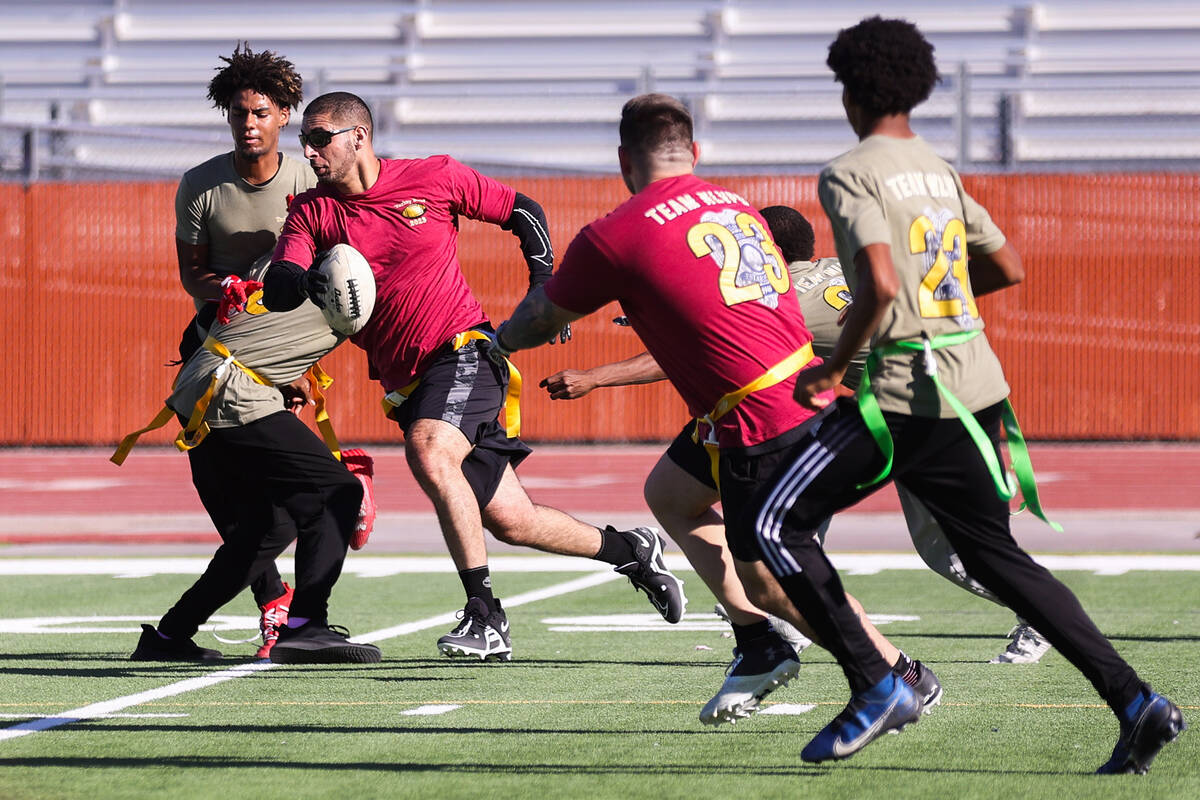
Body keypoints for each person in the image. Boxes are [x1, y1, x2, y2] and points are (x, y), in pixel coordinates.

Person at [786, 16, 1179, 769]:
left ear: (850, 90)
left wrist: (837, 370)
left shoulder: (851, 170)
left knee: (771, 524)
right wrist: (941, 314)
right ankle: (1136, 701)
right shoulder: (938, 168)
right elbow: (1006, 267)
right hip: (975, 384)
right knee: (999, 559)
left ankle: (880, 682)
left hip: (906, 393)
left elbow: (881, 281)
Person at [260, 91, 685, 663]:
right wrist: (296, 281)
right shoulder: (311, 211)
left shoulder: (434, 177)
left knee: (431, 451)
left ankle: (485, 614)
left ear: (358, 136)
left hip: (462, 351)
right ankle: (630, 549)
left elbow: (525, 212)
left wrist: (543, 287)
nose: (308, 152)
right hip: (408, 384)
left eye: (319, 138)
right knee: (512, 520)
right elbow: (282, 276)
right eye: (304, 141)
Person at [543, 204, 1053, 671]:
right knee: (797, 511)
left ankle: (1039, 616)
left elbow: (700, 344)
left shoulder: (785, 298)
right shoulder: (836, 270)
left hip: (922, 417)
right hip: (951, 393)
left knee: (945, 552)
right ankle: (790, 617)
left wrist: (595, 376)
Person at [129, 259, 380, 665]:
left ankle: (168, 635)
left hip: (203, 390)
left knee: (268, 528)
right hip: (233, 392)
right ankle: (305, 627)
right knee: (337, 491)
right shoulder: (291, 266)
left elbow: (203, 329)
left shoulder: (275, 267)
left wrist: (276, 372)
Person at [171, 42, 320, 658]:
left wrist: (304, 366)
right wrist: (227, 287)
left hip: (282, 352)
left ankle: (277, 611)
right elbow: (191, 274)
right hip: (213, 351)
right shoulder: (200, 185)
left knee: (279, 503)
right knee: (230, 500)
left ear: (286, 114)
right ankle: (275, 606)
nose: (249, 124)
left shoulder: (313, 180)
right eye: (239, 113)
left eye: (262, 112)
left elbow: (336, 282)